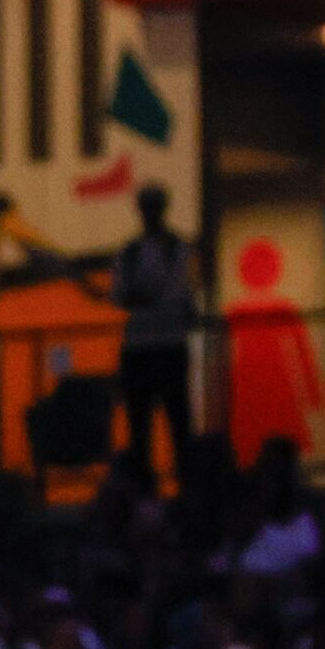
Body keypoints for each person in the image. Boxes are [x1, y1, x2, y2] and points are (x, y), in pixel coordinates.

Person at [107, 186, 198, 476]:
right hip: (146, 344)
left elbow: (175, 292)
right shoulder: (131, 252)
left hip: (162, 343)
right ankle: (150, 483)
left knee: (176, 422)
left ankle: (182, 481)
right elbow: (122, 294)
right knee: (142, 426)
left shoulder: (175, 249)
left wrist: (147, 298)